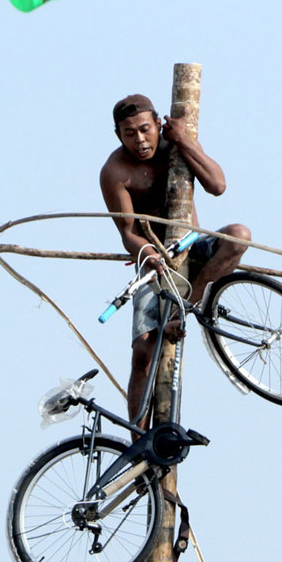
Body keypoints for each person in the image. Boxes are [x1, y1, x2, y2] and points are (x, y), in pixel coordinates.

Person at [99, 94, 250, 432]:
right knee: (143, 352)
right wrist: (147, 253)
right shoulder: (115, 172)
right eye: (129, 134)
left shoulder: (175, 144)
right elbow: (127, 233)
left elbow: (218, 185)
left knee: (239, 234)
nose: (139, 140)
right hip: (153, 260)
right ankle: (139, 437)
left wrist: (183, 139)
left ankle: (188, 303)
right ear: (118, 135)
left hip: (192, 245)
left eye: (145, 130)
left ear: (157, 124)